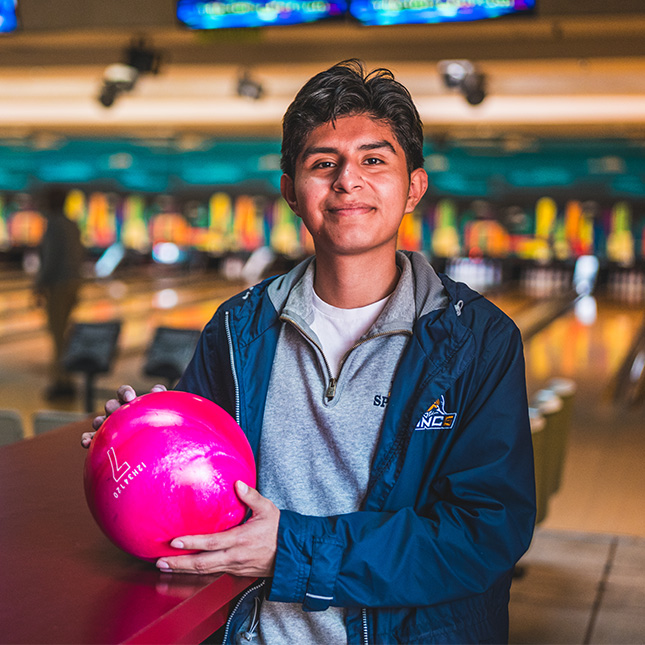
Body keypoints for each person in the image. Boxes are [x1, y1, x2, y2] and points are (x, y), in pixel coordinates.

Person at [83, 60, 535, 644]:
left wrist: (291, 551)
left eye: (375, 160)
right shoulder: (238, 327)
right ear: (292, 191)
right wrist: (138, 445)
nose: (348, 180)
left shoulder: (478, 342)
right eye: (324, 164)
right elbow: (190, 493)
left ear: (414, 188)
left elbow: (483, 535)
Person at [35, 186, 84, 400]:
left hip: (58, 285)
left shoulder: (54, 225)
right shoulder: (73, 225)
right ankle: (66, 378)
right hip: (73, 283)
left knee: (57, 335)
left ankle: (60, 382)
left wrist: (39, 285)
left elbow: (50, 260)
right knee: (63, 334)